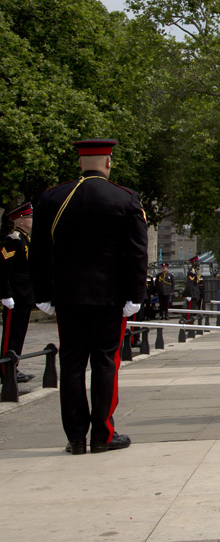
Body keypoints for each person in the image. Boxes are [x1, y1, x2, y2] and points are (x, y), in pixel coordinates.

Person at [30, 139, 147, 455]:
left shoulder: (53, 198)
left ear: (80, 163)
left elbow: (39, 253)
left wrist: (42, 294)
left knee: (71, 365)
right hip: (110, 298)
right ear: (109, 163)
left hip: (67, 298)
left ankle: (76, 437)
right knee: (105, 362)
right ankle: (103, 434)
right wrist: (135, 295)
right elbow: (137, 254)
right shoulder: (125, 199)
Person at [1, 202, 36, 384]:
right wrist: (5, 295)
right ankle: (5, 370)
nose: (32, 220)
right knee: (10, 335)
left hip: (24, 296)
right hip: (14, 296)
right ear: (21, 220)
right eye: (29, 217)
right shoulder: (12, 240)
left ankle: (13, 367)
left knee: (19, 334)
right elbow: (4, 269)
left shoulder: (25, 239)